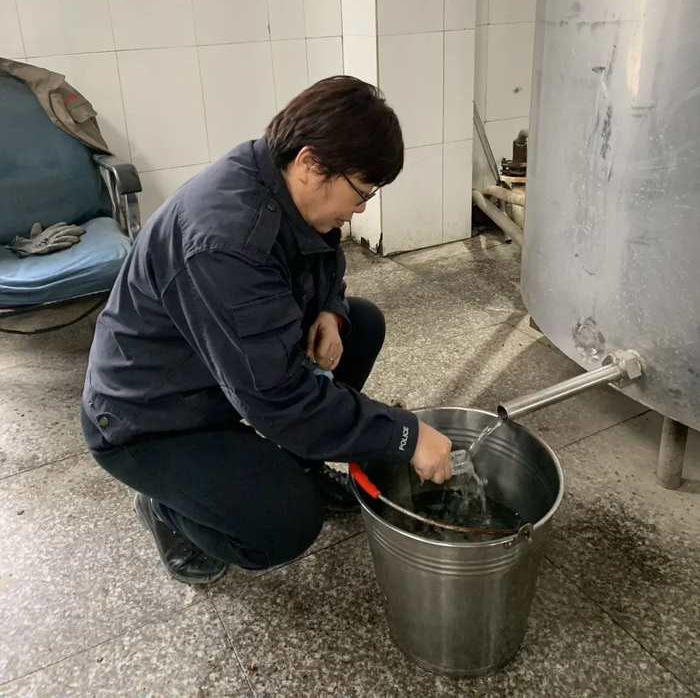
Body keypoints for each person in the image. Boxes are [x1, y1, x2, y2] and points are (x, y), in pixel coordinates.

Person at [81, 77, 453, 585]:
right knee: (286, 523)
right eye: (361, 193)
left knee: (361, 323)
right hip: (149, 416)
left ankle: (304, 461)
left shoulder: (276, 175)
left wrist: (330, 310)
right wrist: (406, 435)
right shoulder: (227, 242)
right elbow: (278, 398)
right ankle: (168, 507)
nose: (362, 208)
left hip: (216, 369)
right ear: (310, 163)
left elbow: (325, 254)